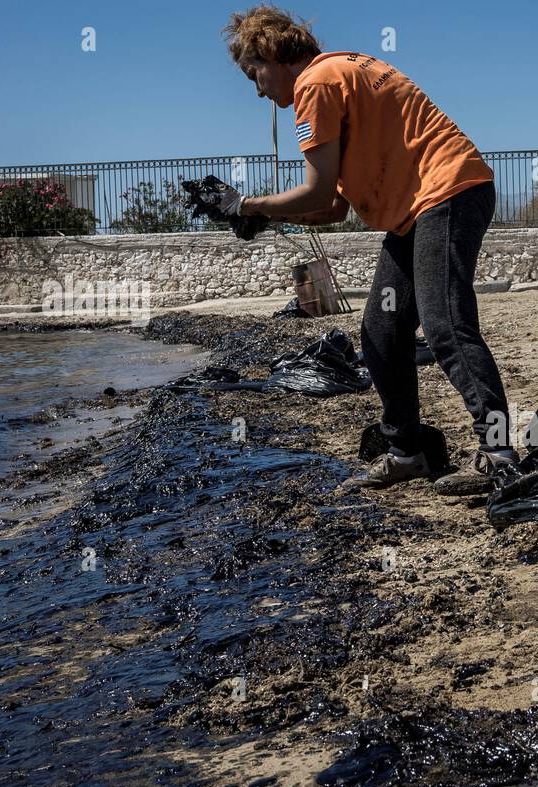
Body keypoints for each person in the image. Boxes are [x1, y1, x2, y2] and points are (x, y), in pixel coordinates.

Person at [220, 6, 518, 495]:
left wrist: (245, 204)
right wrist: (262, 213)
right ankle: (406, 452)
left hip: (445, 194)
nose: (257, 90)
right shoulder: (344, 69)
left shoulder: (315, 84)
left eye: (254, 74)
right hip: (419, 208)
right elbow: (334, 207)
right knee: (382, 330)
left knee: (446, 323)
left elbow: (316, 196)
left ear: (272, 54)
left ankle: (500, 453)